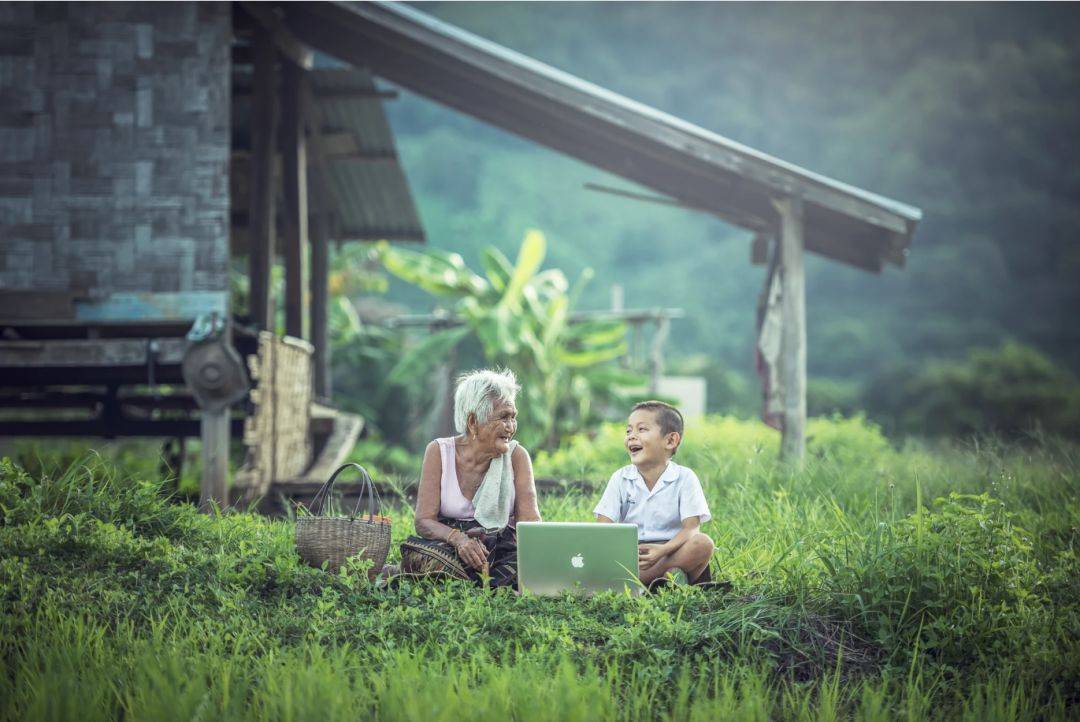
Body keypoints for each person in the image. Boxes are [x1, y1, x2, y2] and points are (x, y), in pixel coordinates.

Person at [401, 368, 541, 588]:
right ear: (473, 421)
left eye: (513, 417)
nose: (511, 427)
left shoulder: (517, 457)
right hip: (450, 548)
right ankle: (482, 585)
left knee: (522, 570)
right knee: (430, 561)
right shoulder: (439, 452)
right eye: (503, 417)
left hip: (500, 549)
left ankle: (483, 584)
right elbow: (424, 521)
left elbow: (530, 526)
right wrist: (459, 539)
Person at [594, 400, 715, 588]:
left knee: (703, 544)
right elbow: (602, 529)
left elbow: (691, 529)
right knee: (600, 556)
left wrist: (662, 551)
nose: (631, 437)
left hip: (671, 550)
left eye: (641, 429)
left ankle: (635, 582)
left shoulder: (685, 477)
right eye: (628, 431)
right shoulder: (620, 478)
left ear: (670, 441)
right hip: (632, 556)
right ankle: (668, 578)